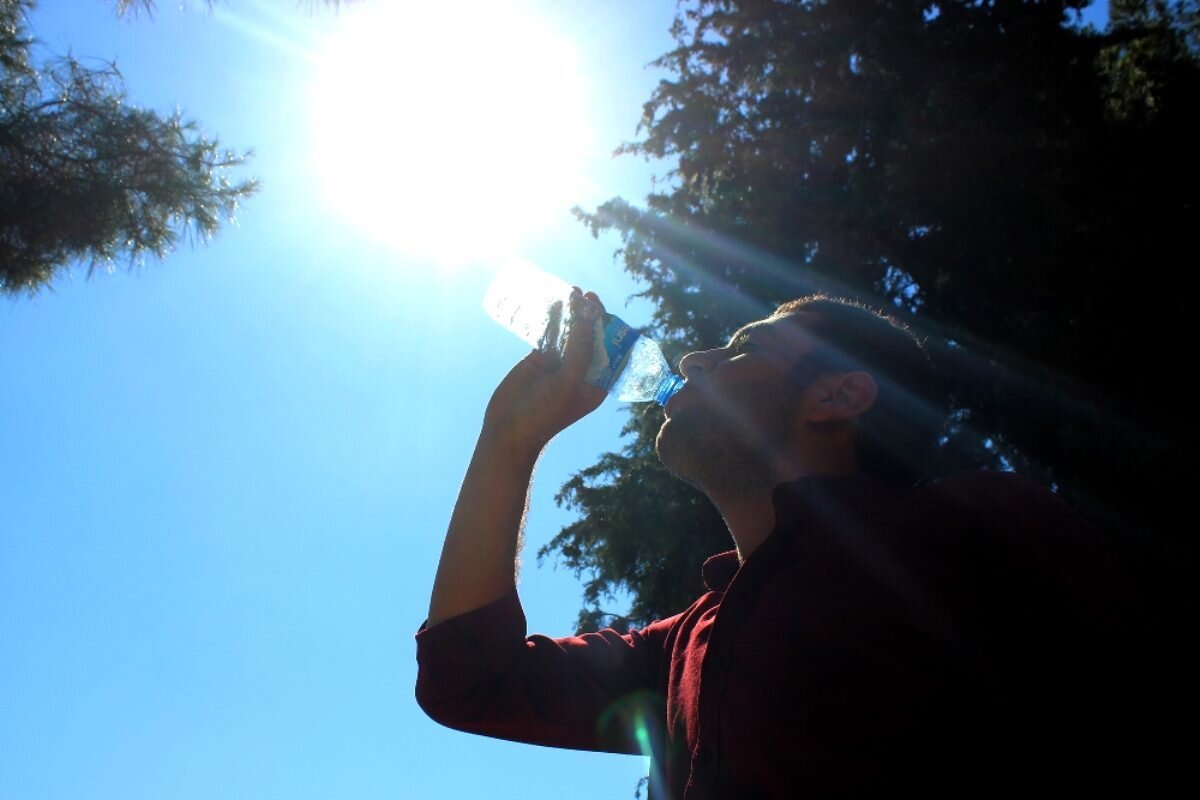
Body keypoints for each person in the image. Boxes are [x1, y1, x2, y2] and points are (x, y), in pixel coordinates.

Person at [416, 290, 1143, 799]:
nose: (696, 359)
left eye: (744, 347)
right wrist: (507, 445)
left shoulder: (973, 525)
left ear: (836, 396)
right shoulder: (682, 650)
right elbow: (468, 683)